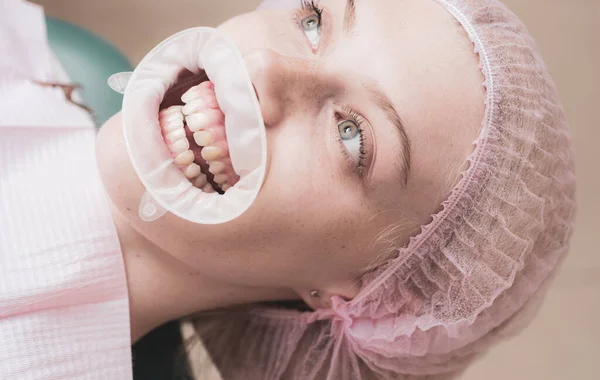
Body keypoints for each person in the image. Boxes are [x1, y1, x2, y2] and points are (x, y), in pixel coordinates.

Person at [1, 0, 576, 379]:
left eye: (352, 136)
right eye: (314, 20)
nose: (261, 69)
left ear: (363, 295)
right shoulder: (29, 54)